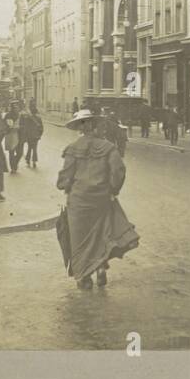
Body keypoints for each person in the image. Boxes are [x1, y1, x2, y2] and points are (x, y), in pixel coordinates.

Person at [57, 109, 134, 289]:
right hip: (101, 198)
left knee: (79, 239)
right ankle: (100, 268)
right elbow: (118, 171)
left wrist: (65, 186)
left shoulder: (72, 149)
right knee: (101, 235)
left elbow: (65, 178)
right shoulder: (108, 147)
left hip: (78, 202)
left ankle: (84, 277)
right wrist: (113, 190)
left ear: (79, 128)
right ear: (94, 125)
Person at [20, 104, 44, 169]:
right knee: (35, 149)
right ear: (36, 112)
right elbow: (41, 128)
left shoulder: (28, 118)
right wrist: (39, 135)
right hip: (36, 136)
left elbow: (26, 127)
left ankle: (28, 160)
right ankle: (34, 161)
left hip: (29, 136)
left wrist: (25, 135)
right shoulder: (39, 118)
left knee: (29, 148)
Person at [4, 100, 24, 173]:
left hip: (20, 136)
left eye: (17, 106)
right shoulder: (8, 115)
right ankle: (13, 167)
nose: (17, 108)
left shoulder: (21, 115)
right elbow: (9, 126)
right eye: (15, 107)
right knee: (11, 152)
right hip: (11, 135)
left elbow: (24, 125)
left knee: (20, 153)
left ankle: (14, 163)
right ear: (12, 108)